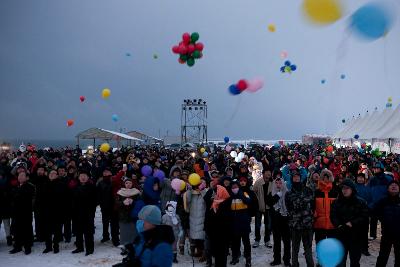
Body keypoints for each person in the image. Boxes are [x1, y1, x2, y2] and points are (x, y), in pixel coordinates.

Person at [330, 179, 369, 267]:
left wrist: (352, 223)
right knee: (340, 262)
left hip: (355, 236)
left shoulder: (361, 202)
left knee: (355, 262)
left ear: (352, 189)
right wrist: (338, 225)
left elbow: (364, 216)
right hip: (340, 235)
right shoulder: (336, 202)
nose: (345, 190)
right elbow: (333, 215)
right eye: (343, 188)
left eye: (347, 188)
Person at [285, 168, 315, 267]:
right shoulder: (288, 194)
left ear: (301, 178)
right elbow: (288, 208)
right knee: (295, 248)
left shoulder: (308, 190)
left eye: (298, 176)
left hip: (307, 225)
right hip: (295, 225)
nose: (296, 178)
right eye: (294, 177)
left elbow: (313, 205)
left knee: (308, 248)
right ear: (292, 178)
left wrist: (310, 217)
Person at [204, 184, 231, 267]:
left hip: (222, 237)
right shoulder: (213, 204)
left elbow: (227, 222)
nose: (214, 195)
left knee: (221, 258)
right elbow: (208, 217)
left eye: (216, 193)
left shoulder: (225, 204)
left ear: (221, 193)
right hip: (213, 235)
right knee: (216, 256)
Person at [71, 170, 97, 255]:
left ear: (88, 177)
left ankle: (90, 249)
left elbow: (95, 200)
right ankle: (79, 247)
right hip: (77, 213)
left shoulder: (92, 187)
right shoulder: (75, 187)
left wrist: (91, 209)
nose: (82, 177)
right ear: (78, 178)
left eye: (84, 176)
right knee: (78, 231)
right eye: (81, 176)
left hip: (88, 213)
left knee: (88, 232)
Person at [375, 180, 400, 267]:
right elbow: (376, 211)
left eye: (396, 185)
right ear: (388, 188)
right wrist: (383, 219)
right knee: (383, 256)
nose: (394, 186)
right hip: (386, 233)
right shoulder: (383, 200)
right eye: (391, 185)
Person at [9, 171, 35, 255]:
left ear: (26, 177)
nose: (20, 177)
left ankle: (28, 247)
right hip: (16, 212)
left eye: (22, 175)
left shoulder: (29, 186)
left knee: (26, 230)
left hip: (25, 212)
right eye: (19, 175)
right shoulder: (16, 186)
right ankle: (17, 246)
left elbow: (26, 197)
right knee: (17, 230)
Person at [42, 169, 68, 253]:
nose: (52, 174)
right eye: (51, 173)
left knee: (57, 230)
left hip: (58, 210)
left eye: (54, 173)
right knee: (47, 230)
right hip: (47, 210)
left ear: (57, 175)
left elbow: (64, 198)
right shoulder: (45, 184)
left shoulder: (61, 184)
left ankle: (56, 246)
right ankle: (48, 246)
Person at [267, 177, 291, 266]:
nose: (278, 185)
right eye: (276, 183)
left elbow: (290, 206)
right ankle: (276, 259)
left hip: (285, 221)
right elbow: (269, 203)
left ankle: (287, 260)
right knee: (276, 242)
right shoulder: (271, 193)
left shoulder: (288, 193)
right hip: (275, 221)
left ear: (283, 184)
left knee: (287, 242)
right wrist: (277, 196)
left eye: (280, 183)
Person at [230, 179, 252, 267]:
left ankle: (248, 259)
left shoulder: (244, 193)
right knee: (235, 242)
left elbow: (249, 201)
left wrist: (241, 195)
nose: (234, 188)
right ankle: (235, 257)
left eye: (236, 186)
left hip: (244, 222)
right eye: (232, 187)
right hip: (234, 223)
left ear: (238, 187)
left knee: (246, 242)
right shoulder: (230, 196)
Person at [183, 176, 207, 259]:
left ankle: (204, 253)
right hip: (193, 217)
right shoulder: (192, 193)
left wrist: (203, 190)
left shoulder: (206, 191)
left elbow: (207, 200)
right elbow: (188, 200)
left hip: (202, 216)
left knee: (202, 237)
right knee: (196, 237)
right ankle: (198, 251)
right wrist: (189, 190)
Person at [368, 162, 392, 240]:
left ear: (381, 169)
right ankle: (372, 235)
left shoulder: (388, 178)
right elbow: (368, 190)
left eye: (377, 168)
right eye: (374, 168)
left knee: (385, 220)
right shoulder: (372, 179)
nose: (375, 170)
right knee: (373, 220)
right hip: (374, 203)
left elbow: (391, 190)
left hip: (384, 203)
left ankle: (385, 234)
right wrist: (370, 202)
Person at [116, 177, 141, 253]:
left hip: (133, 215)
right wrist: (123, 203)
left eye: (130, 183)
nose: (128, 184)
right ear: (124, 184)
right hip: (123, 215)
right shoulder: (120, 192)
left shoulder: (136, 192)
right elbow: (116, 203)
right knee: (124, 232)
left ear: (132, 184)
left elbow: (140, 203)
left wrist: (133, 202)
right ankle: (124, 247)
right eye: (126, 183)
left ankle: (133, 246)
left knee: (133, 231)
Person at [313, 169, 338, 244]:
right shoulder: (317, 192)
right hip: (319, 223)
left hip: (332, 224)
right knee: (320, 243)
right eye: (324, 177)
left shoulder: (335, 192)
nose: (326, 179)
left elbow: (338, 207)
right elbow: (313, 206)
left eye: (328, 177)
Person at [97, 168, 120, 246]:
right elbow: (98, 194)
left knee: (114, 224)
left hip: (114, 206)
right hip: (104, 206)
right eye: (105, 172)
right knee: (105, 222)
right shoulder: (100, 183)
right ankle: (105, 236)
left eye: (108, 171)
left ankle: (115, 239)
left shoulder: (114, 181)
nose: (106, 173)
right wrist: (100, 203)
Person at [252, 169, 273, 248]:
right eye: (267, 172)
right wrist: (257, 200)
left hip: (268, 207)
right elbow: (254, 191)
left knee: (268, 225)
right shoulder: (258, 182)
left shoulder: (272, 182)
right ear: (263, 173)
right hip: (259, 206)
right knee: (257, 224)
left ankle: (267, 241)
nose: (269, 174)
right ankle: (257, 240)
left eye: (270, 172)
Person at [354, 172, 371, 256]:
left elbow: (370, 199)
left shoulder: (367, 188)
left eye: (362, 178)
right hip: (355, 213)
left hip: (365, 213)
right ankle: (357, 248)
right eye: (359, 177)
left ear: (364, 179)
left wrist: (368, 208)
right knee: (356, 231)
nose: (360, 179)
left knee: (364, 232)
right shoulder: (354, 188)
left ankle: (365, 249)